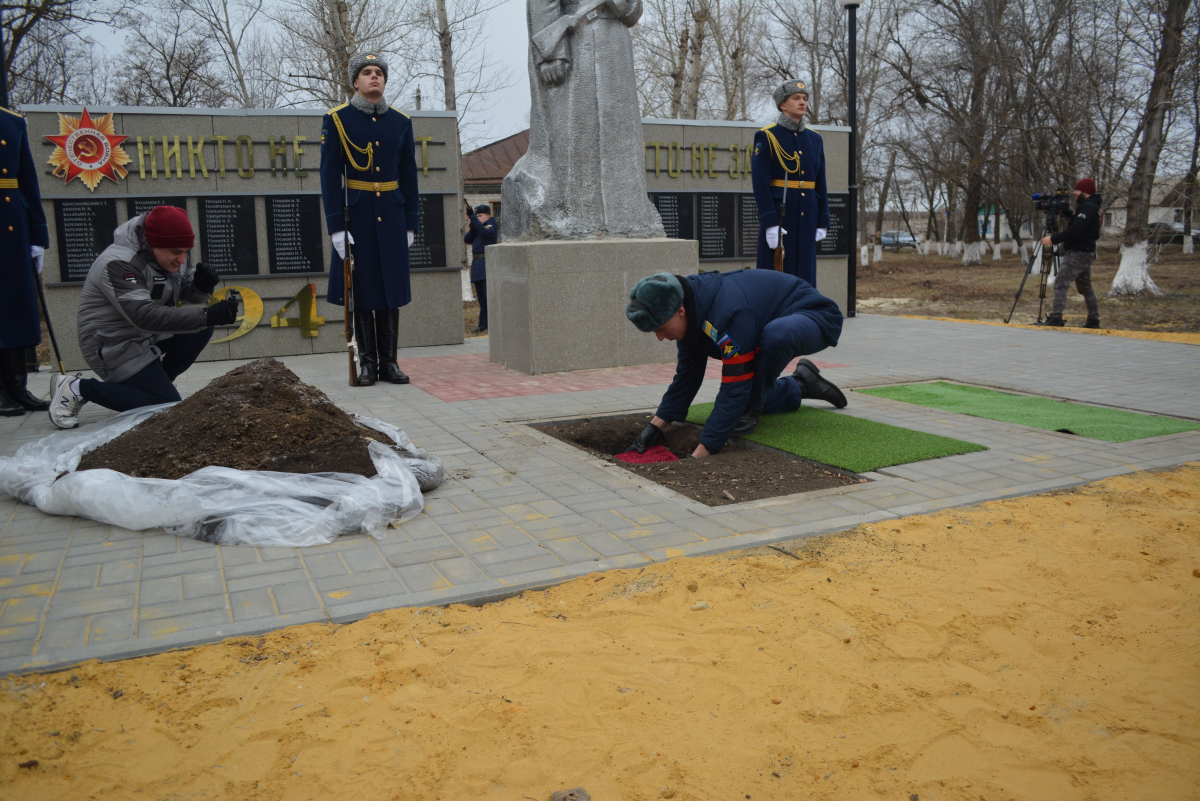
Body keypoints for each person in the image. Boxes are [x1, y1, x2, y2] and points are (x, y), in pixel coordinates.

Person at [48, 205, 236, 429]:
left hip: (145, 335)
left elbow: (184, 292)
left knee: (201, 328)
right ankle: (76, 388)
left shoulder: (168, 251)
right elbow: (144, 316)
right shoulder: (119, 263)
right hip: (112, 342)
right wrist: (207, 313)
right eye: (177, 252)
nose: (182, 259)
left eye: (186, 251)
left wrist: (200, 287)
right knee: (163, 406)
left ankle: (154, 386)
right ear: (152, 242)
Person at [624, 270, 847, 458]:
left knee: (774, 339)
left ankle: (753, 407)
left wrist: (704, 450)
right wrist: (655, 427)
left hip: (814, 315)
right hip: (768, 323)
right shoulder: (691, 310)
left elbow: (734, 386)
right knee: (746, 391)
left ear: (679, 312)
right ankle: (801, 384)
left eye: (660, 329)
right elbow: (686, 378)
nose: (660, 337)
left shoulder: (728, 315)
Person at [321, 53, 421, 386]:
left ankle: (390, 363)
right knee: (361, 291)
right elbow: (329, 177)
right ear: (355, 81)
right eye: (367, 72)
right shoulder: (337, 119)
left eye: (379, 72)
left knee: (390, 290)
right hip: (358, 218)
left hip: (392, 217)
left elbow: (409, 176)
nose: (374, 77)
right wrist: (337, 228)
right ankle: (367, 365)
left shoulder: (401, 121)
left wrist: (410, 223)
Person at [751, 79, 829, 286]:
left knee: (805, 274)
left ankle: (804, 314)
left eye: (804, 98)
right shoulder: (767, 136)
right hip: (781, 216)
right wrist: (770, 223)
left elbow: (820, 182)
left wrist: (823, 220)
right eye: (796, 98)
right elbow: (760, 183)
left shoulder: (815, 139)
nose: (803, 102)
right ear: (783, 105)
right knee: (775, 277)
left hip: (808, 215)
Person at [0, 105, 51, 417]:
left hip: (11, 225)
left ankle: (17, 386)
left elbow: (27, 181)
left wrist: (37, 235)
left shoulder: (12, 121)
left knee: (15, 308)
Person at [1038, 178, 1102, 328]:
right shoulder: (1089, 207)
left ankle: (1056, 317)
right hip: (1085, 252)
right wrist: (1064, 212)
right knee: (1085, 287)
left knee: (1060, 283)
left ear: (1085, 192)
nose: (1074, 192)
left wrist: (1052, 239)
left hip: (1078, 253)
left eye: (1077, 190)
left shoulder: (1087, 208)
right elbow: (1078, 222)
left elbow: (1075, 230)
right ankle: (1094, 319)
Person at [463, 201, 498, 333]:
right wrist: (473, 227)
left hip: (487, 265)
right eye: (477, 216)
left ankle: (492, 324)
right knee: (482, 300)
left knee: (489, 299)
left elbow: (484, 231)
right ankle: (483, 324)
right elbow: (467, 239)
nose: (478, 218)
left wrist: (473, 218)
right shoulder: (479, 228)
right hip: (478, 267)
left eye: (480, 216)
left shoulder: (491, 226)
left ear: (488, 216)